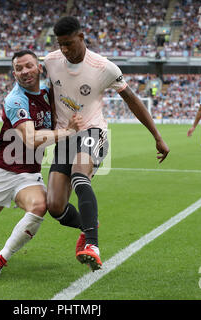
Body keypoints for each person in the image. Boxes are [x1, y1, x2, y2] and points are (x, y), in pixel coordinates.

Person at [43, 16, 170, 271]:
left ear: (81, 37)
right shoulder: (50, 60)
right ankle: (89, 224)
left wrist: (156, 136)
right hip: (65, 137)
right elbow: (50, 94)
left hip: (93, 132)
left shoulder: (104, 67)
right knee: (55, 206)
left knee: (80, 176)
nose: (64, 50)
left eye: (68, 43)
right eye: (60, 44)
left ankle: (92, 244)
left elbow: (132, 100)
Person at [0, 50, 82, 279]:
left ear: (39, 68)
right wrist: (67, 131)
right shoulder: (14, 99)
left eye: (29, 66)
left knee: (40, 206)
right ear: (14, 74)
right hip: (1, 171)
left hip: (29, 175)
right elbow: (30, 139)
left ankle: (0, 259)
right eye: (19, 69)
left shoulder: (51, 93)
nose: (25, 71)